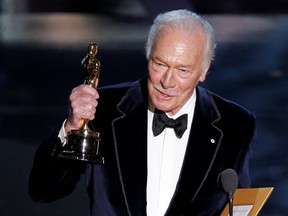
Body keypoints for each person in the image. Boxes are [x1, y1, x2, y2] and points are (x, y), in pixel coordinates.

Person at [29, 9, 256, 215]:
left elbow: (236, 206)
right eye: (159, 64)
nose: (167, 82)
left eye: (183, 70)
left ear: (204, 70)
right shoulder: (103, 108)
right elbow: (43, 191)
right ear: (148, 56)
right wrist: (70, 128)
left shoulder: (235, 124)